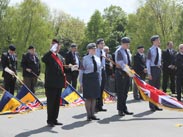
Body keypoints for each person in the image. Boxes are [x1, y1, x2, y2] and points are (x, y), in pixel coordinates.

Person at [42, 39, 66, 127]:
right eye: (55, 45)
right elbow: (43, 59)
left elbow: (62, 69)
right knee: (51, 103)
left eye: (58, 46)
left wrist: (71, 68)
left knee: (56, 103)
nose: (57, 47)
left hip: (59, 83)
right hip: (51, 84)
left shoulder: (60, 57)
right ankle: (50, 120)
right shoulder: (49, 56)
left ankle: (55, 119)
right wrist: (50, 51)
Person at [79, 43, 101, 121]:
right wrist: (81, 82)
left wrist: (100, 80)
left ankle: (93, 114)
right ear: (88, 50)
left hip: (95, 78)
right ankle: (88, 114)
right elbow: (81, 71)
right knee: (88, 97)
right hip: (87, 78)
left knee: (94, 97)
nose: (94, 50)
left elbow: (99, 70)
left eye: (95, 49)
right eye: (92, 49)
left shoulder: (97, 58)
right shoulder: (84, 59)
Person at [115, 37, 134, 116]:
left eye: (128, 44)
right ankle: (120, 109)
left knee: (125, 92)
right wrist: (128, 70)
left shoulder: (128, 51)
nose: (128, 45)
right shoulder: (119, 51)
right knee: (121, 92)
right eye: (126, 44)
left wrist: (130, 70)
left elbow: (129, 61)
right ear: (122, 44)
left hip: (127, 72)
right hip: (121, 72)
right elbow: (120, 63)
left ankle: (124, 108)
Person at [146, 35, 163, 112]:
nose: (159, 41)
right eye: (157, 40)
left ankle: (156, 105)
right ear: (153, 41)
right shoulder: (150, 50)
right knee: (152, 89)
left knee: (157, 88)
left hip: (158, 69)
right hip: (152, 69)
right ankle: (151, 105)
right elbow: (148, 62)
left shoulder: (159, 50)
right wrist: (149, 73)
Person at [95, 38, 107, 112]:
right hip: (97, 71)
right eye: (101, 43)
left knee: (102, 88)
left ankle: (100, 105)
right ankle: (96, 105)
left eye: (103, 43)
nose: (103, 45)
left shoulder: (103, 52)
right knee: (97, 88)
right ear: (98, 44)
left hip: (103, 70)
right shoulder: (95, 51)